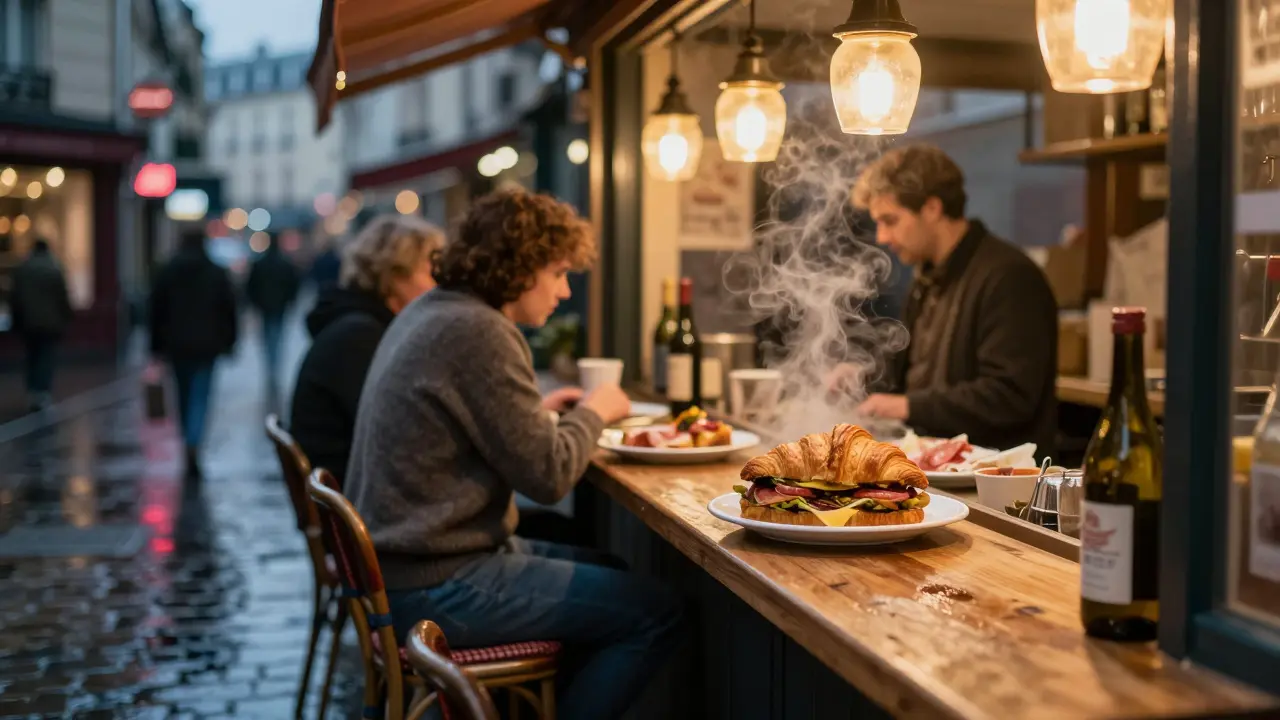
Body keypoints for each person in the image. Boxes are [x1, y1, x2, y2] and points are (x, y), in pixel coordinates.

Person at [344, 189, 683, 720]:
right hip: (435, 584)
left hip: (401, 570)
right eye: (558, 272)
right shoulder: (480, 330)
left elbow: (477, 425)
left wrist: (545, 413)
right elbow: (549, 476)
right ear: (522, 267)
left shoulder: (436, 310)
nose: (565, 291)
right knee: (656, 612)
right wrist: (595, 409)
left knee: (612, 570)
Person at [845, 143, 1058, 456]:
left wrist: (906, 406)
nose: (881, 238)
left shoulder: (1008, 276)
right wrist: (861, 376)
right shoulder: (927, 277)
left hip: (993, 481)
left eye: (890, 220)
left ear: (932, 208)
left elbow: (1009, 396)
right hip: (934, 463)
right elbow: (914, 371)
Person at [289, 214, 444, 488]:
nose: (438, 285)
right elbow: (397, 435)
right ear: (394, 275)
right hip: (361, 496)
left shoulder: (359, 324)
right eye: (430, 272)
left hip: (354, 487)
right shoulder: (360, 337)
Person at [149, 229, 239, 478]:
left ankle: (188, 441)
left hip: (176, 345)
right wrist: (229, 341)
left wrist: (156, 346)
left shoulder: (168, 271)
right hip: (207, 345)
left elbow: (156, 311)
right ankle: (193, 442)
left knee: (182, 395)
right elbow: (229, 309)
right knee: (200, 395)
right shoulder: (215, 272)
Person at [9, 238, 73, 411]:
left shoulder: (24, 269)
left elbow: (15, 298)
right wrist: (67, 317)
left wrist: (16, 320)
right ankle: (42, 391)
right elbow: (63, 297)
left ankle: (33, 390)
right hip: (50, 322)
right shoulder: (54, 268)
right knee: (46, 356)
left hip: (29, 322)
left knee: (32, 355)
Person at [244, 234, 300, 393]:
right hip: (279, 307)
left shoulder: (260, 264)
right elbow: (293, 285)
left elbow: (251, 286)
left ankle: (271, 368)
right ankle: (274, 369)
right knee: (276, 338)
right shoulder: (285, 264)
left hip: (265, 308)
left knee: (268, 339)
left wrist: (256, 303)